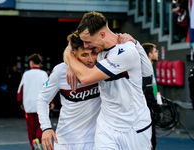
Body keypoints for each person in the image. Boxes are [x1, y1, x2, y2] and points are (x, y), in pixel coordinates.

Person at [64, 11, 153, 150]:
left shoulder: (126, 51)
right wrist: (70, 64)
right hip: (107, 125)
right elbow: (72, 48)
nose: (86, 46)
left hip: (134, 126)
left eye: (88, 42)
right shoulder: (97, 50)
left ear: (102, 35)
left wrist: (136, 44)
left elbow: (86, 77)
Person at [37, 31, 101, 150]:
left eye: (93, 53)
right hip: (66, 141)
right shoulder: (60, 71)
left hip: (95, 140)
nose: (91, 59)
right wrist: (46, 128)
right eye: (84, 55)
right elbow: (42, 99)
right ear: (74, 54)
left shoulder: (102, 69)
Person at [17, 53, 49, 150]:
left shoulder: (26, 74)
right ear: (40, 63)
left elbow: (20, 90)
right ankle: (38, 139)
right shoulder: (44, 74)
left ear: (31, 62)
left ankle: (33, 145)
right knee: (42, 124)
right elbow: (48, 88)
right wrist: (51, 101)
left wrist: (20, 102)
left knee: (31, 127)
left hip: (28, 104)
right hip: (41, 104)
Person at [141, 43, 160, 150]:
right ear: (149, 54)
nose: (157, 53)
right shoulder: (145, 69)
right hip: (147, 109)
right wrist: (156, 107)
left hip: (150, 107)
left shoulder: (150, 68)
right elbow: (147, 91)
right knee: (150, 141)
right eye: (155, 51)